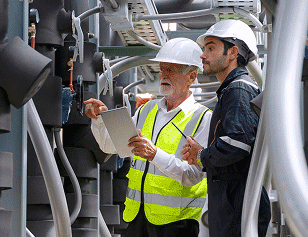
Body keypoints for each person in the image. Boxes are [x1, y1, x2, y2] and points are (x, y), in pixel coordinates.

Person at [84, 38, 212, 237]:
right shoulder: (146, 110)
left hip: (177, 223)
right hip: (137, 218)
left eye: (171, 70)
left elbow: (193, 176)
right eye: (162, 69)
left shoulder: (203, 118)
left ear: (191, 77)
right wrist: (100, 120)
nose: (164, 75)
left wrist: (154, 155)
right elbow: (111, 146)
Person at [181, 20, 271, 237]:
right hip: (232, 202)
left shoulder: (238, 90)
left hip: (236, 203)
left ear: (233, 52)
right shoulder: (233, 89)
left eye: (210, 48)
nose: (203, 55)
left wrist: (201, 155)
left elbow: (237, 144)